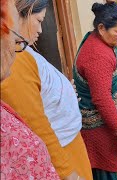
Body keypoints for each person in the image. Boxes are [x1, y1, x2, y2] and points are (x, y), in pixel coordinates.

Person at [1, 0, 92, 179]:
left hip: (67, 150)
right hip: (63, 157)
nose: (41, 30)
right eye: (39, 20)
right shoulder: (14, 61)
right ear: (22, 16)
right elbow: (37, 124)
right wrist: (68, 173)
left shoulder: (22, 54)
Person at [73, 3, 117, 179]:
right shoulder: (97, 55)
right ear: (101, 28)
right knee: (113, 172)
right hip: (108, 130)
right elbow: (102, 98)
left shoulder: (104, 41)